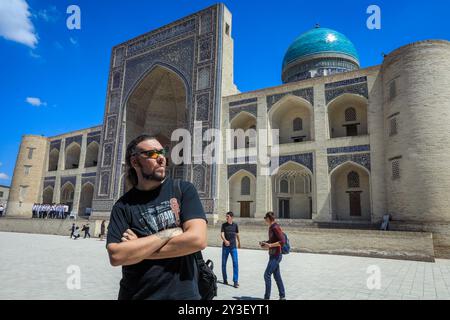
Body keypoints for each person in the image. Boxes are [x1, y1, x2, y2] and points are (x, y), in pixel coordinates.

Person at [106, 134, 207, 300]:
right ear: (135, 162)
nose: (161, 158)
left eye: (163, 152)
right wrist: (171, 232)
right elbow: (116, 256)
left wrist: (137, 250)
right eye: (152, 154)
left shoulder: (183, 190)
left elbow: (197, 240)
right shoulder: (123, 206)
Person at [260, 212, 286, 300]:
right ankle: (282, 296)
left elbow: (282, 241)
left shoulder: (275, 227)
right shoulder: (271, 227)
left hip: (276, 255)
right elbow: (272, 240)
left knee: (266, 275)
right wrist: (265, 243)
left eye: (265, 218)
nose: (265, 219)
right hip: (272, 254)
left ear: (268, 218)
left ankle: (266, 297)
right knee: (277, 276)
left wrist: (270, 245)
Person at [220, 211, 240, 288]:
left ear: (231, 217)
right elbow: (221, 234)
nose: (226, 218)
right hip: (225, 247)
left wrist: (239, 242)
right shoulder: (224, 225)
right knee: (223, 264)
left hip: (233, 247)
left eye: (228, 216)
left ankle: (235, 281)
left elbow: (237, 234)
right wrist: (225, 241)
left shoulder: (235, 225)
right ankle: (225, 279)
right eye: (226, 216)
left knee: (235, 263)